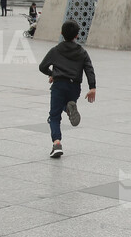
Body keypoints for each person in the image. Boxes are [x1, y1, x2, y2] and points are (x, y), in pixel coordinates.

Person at [38, 20, 97, 158]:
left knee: (54, 116)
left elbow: (42, 67)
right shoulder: (82, 52)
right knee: (67, 104)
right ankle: (69, 108)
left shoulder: (55, 50)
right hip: (74, 87)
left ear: (61, 33)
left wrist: (52, 74)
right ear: (77, 35)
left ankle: (57, 144)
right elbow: (89, 69)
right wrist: (92, 87)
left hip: (59, 85)